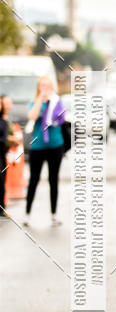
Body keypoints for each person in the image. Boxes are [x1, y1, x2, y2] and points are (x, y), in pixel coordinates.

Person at [23, 76, 66, 227]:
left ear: (52, 87)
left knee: (53, 180)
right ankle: (27, 214)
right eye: (42, 86)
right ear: (38, 88)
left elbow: (62, 118)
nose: (45, 88)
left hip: (55, 145)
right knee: (34, 179)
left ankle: (54, 214)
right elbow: (32, 117)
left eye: (48, 86)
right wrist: (40, 99)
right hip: (38, 146)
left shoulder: (57, 102)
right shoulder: (35, 102)